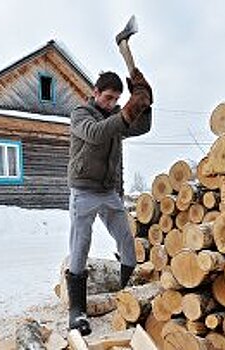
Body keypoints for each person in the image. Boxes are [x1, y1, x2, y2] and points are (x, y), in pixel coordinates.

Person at [65, 69, 153, 335]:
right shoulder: (80, 114)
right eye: (107, 98)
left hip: (108, 190)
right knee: (80, 245)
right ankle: (77, 311)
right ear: (95, 93)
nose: (112, 103)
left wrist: (146, 102)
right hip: (83, 190)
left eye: (116, 99)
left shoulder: (116, 115)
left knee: (126, 240)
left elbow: (142, 126)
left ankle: (128, 296)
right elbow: (96, 134)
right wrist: (126, 112)